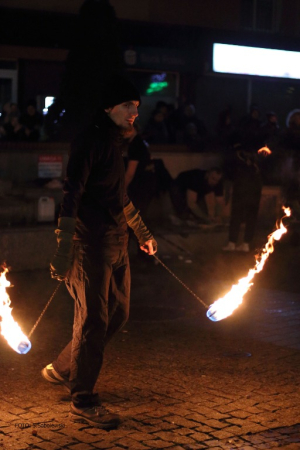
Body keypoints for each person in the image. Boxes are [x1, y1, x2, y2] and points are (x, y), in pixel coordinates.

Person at [41, 75, 157, 429]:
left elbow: (119, 196)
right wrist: (64, 247)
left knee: (118, 314)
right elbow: (72, 192)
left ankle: (64, 367)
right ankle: (83, 398)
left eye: (136, 107)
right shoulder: (90, 141)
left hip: (117, 241)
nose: (133, 112)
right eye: (127, 106)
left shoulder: (116, 142)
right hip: (88, 243)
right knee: (93, 320)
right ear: (109, 108)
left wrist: (141, 231)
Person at [223, 146, 263, 253]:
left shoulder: (238, 159)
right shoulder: (256, 163)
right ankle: (245, 244)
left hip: (242, 192)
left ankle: (233, 243)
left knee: (236, 217)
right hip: (254, 193)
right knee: (250, 218)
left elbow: (231, 174)